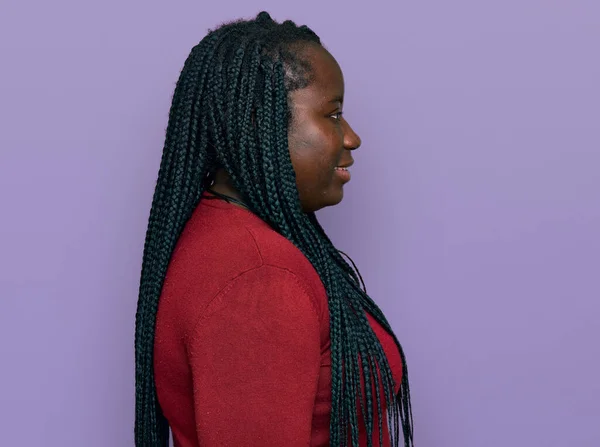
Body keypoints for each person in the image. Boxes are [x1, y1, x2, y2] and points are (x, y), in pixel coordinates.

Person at [134, 11, 414, 447]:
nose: (352, 137)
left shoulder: (229, 235)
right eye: (333, 114)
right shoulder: (258, 278)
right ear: (256, 122)